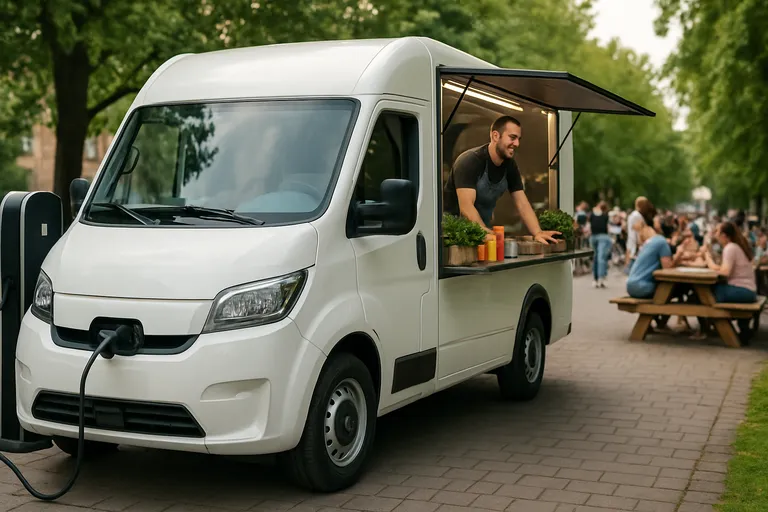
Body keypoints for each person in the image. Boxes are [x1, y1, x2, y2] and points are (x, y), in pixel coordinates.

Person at [443, 115, 560, 243]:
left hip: (482, 233)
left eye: (518, 139)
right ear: (495, 136)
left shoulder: (509, 165)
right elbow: (466, 208)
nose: (517, 144)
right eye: (512, 138)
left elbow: (522, 203)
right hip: (454, 237)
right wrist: (485, 233)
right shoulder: (469, 161)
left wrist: (537, 232)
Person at [704, 221, 757, 303]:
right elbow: (723, 269)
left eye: (717, 231)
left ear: (723, 235)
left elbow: (725, 272)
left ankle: (714, 315)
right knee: (706, 292)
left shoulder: (730, 247)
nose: (715, 234)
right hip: (748, 291)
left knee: (705, 292)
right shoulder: (734, 246)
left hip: (742, 291)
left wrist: (707, 257)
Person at [626, 227, 684, 299]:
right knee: (682, 288)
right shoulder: (662, 242)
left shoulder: (649, 243)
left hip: (631, 285)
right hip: (642, 287)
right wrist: (678, 256)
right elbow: (668, 270)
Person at [589, 201, 612, 288]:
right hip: (601, 236)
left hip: (596, 236)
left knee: (597, 257)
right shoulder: (603, 215)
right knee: (600, 257)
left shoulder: (601, 215)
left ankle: (597, 278)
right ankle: (600, 278)